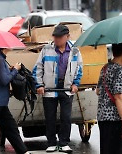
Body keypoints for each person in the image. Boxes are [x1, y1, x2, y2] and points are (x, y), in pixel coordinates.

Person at [32, 24, 83, 153]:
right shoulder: (46, 49)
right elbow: (38, 68)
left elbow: (79, 68)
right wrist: (39, 85)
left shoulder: (75, 51)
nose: (57, 40)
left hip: (66, 88)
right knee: (50, 117)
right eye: (55, 37)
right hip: (49, 89)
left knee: (66, 117)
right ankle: (51, 142)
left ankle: (64, 142)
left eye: (60, 37)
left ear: (67, 37)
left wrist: (75, 84)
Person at [96, 42, 122, 154]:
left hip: (103, 119)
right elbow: (119, 97)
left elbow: (98, 91)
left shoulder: (106, 68)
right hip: (115, 119)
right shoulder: (119, 70)